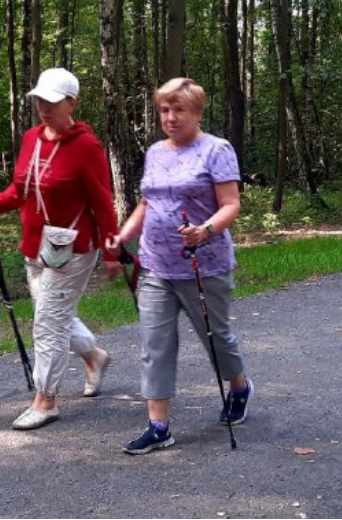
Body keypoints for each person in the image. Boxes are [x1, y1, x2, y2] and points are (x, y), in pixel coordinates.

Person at [107, 78, 250, 455]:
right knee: (155, 343)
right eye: (164, 110)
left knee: (215, 338)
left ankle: (238, 385)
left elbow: (231, 203)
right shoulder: (155, 152)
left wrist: (205, 230)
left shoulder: (216, 150)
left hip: (204, 264)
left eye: (178, 110)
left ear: (197, 112)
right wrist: (122, 237)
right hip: (155, 263)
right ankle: (158, 425)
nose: (170, 118)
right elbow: (146, 203)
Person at [0, 68, 121, 430]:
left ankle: (45, 400)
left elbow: (104, 203)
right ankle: (93, 356)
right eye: (40, 100)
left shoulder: (87, 147)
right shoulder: (31, 139)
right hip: (35, 247)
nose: (44, 107)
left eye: (53, 101)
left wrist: (112, 249)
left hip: (73, 249)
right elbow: (20, 189)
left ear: (71, 102)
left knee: (48, 324)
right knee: (52, 314)